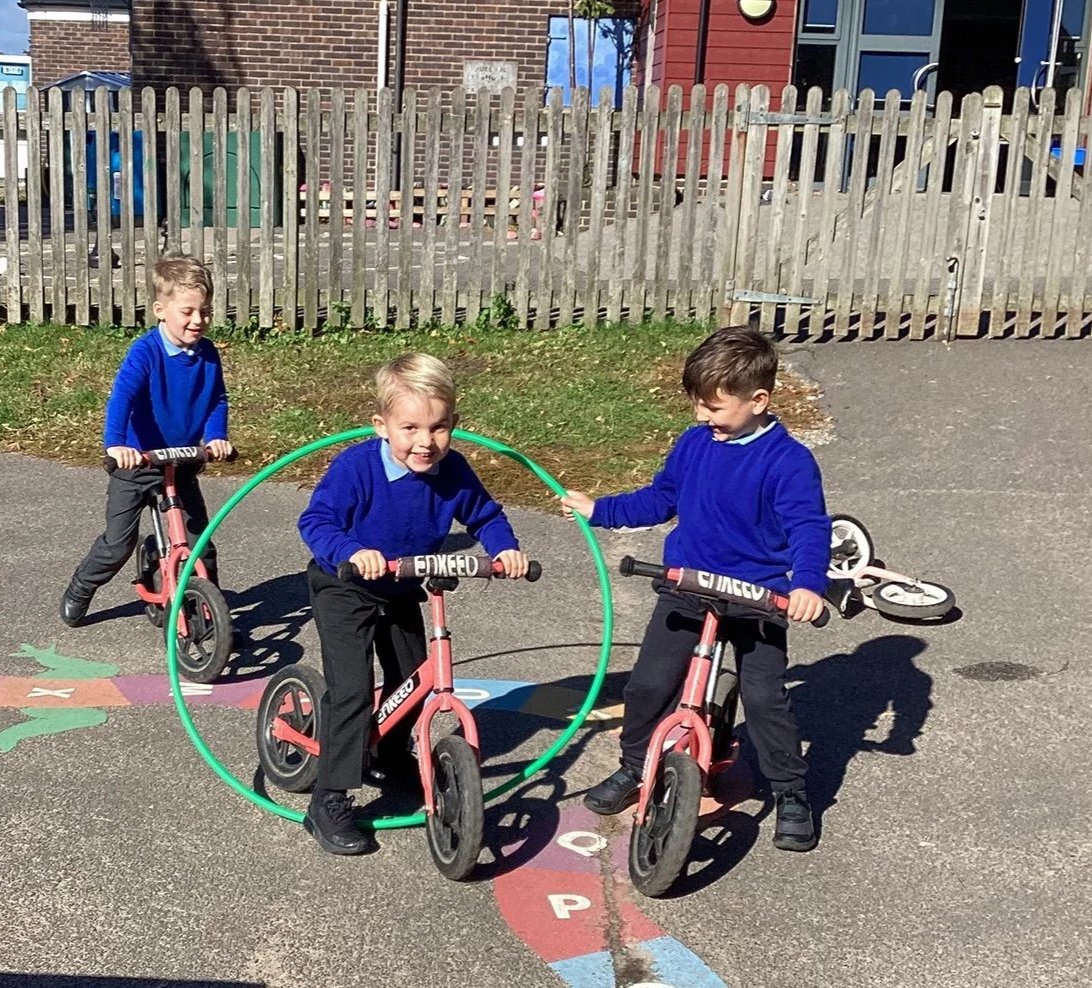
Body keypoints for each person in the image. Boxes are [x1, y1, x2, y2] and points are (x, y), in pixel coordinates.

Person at [560, 325, 829, 852]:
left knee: (765, 698)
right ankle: (636, 766)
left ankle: (791, 792)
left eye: (714, 407)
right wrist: (601, 511)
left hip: (758, 596)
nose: (702, 418)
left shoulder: (789, 462)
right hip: (689, 585)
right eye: (697, 406)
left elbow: (808, 528)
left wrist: (809, 585)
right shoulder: (695, 443)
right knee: (647, 686)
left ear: (758, 400)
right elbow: (661, 498)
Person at [296, 353, 529, 856]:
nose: (426, 441)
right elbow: (316, 523)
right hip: (346, 586)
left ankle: (396, 755)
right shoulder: (357, 467)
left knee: (412, 678)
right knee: (353, 690)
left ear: (454, 424)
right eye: (410, 428)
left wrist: (503, 548)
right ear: (382, 426)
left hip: (403, 586)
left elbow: (485, 515)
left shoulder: (453, 470)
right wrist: (353, 552)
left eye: (439, 427)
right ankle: (328, 796)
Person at [60, 256, 234, 628]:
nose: (198, 320)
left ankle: (213, 617)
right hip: (138, 463)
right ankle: (82, 586)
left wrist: (217, 436)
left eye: (205, 311)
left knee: (200, 544)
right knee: (117, 544)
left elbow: (217, 398)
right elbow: (122, 397)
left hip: (181, 461)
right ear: (160, 310)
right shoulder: (146, 352)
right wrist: (117, 444)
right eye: (187, 311)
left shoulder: (207, 354)